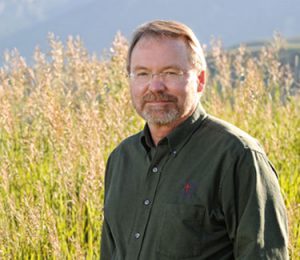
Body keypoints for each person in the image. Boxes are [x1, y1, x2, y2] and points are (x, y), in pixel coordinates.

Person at [100, 20, 289, 260]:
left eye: (171, 72)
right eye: (142, 73)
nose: (155, 86)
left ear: (200, 80)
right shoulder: (120, 160)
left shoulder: (237, 156)